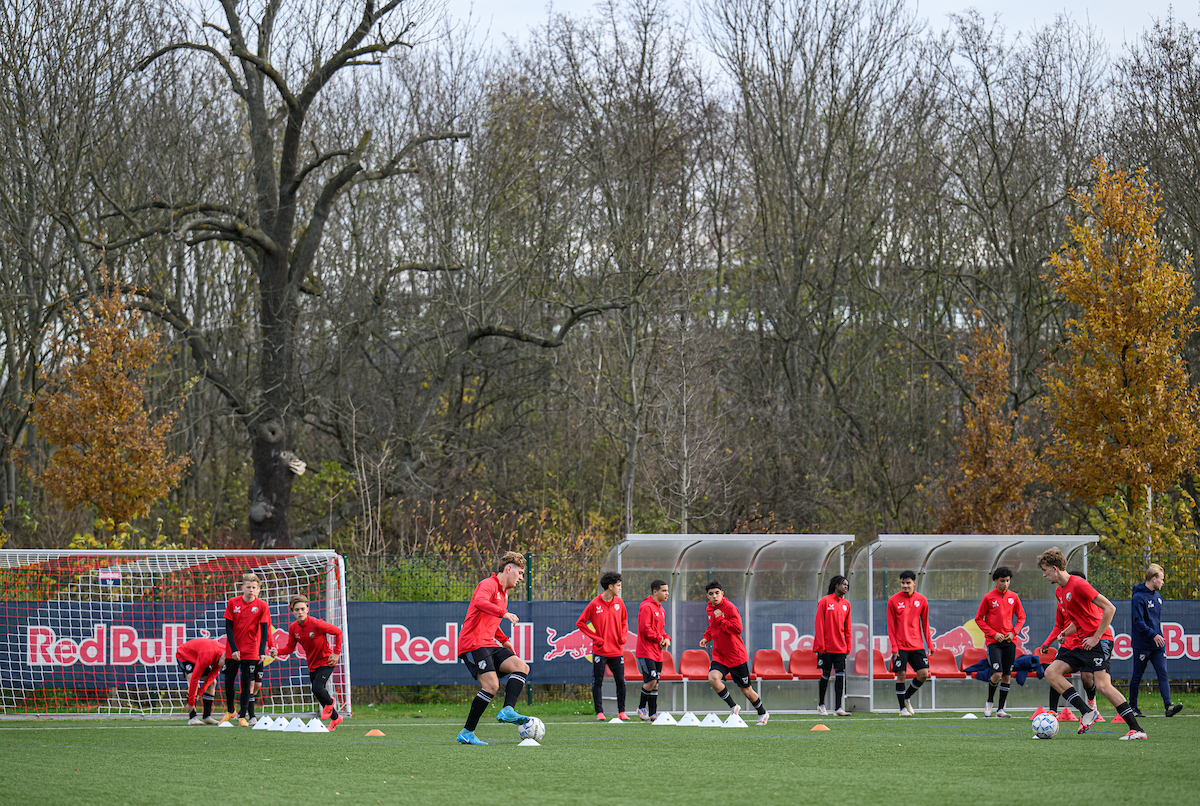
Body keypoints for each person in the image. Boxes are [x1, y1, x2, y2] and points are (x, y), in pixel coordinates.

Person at [1037, 547, 1147, 740]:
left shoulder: (1079, 584)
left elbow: (1109, 608)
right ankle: (1087, 711)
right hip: (1082, 642)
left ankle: (1137, 729)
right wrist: (1065, 632)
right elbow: (1079, 620)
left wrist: (1096, 637)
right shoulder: (1060, 592)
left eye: (1045, 571)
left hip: (1099, 640)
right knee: (1051, 672)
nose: (1044, 575)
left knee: (1103, 686)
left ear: (1055, 568)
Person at [455, 551, 532, 745]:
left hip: (489, 643)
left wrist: (504, 640)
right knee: (491, 686)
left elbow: (491, 621)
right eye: (520, 573)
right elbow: (480, 603)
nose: (521, 578)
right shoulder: (488, 584)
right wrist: (503, 613)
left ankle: (507, 710)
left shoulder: (504, 594)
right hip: (472, 643)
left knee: (521, 667)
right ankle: (467, 732)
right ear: (509, 569)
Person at [699, 580, 769, 725]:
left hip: (736, 656)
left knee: (747, 691)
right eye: (711, 594)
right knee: (713, 678)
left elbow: (737, 629)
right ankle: (733, 706)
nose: (714, 596)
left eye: (717, 593)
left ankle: (762, 712)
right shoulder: (709, 609)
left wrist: (721, 619)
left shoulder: (730, 607)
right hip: (720, 655)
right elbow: (712, 626)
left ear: (722, 593)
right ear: (708, 596)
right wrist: (706, 637)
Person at [270, 594, 345, 730]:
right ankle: (335, 718)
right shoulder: (293, 628)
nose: (300, 612)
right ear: (292, 611)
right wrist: (277, 652)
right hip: (312, 663)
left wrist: (336, 653)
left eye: (302, 609)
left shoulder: (317, 623)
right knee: (317, 692)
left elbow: (338, 632)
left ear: (307, 609)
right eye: (297, 610)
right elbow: (290, 648)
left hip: (326, 660)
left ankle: (330, 703)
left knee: (318, 688)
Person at [1130, 563, 1183, 718]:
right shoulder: (1138, 597)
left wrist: (1157, 635)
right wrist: (1153, 634)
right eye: (1161, 579)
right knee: (1137, 675)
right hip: (1142, 644)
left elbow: (1154, 621)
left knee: (1163, 672)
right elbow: (1138, 621)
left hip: (1157, 644)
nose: (1163, 582)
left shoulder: (1158, 597)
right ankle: (1132, 707)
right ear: (1154, 579)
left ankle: (1168, 707)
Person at [577, 571, 630, 721]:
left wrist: (623, 636)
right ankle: (599, 712)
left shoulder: (619, 602)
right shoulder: (594, 604)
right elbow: (580, 623)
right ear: (610, 587)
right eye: (618, 585)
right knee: (598, 681)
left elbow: (624, 620)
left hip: (616, 650)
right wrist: (596, 638)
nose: (620, 588)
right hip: (600, 651)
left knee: (621, 681)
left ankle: (622, 712)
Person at [973, 566, 1026, 717]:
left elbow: (1022, 617)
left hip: (1010, 641)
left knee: (1007, 676)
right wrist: (993, 634)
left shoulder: (1014, 597)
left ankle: (1000, 710)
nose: (1005, 584)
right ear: (996, 581)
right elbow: (979, 619)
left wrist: (1013, 632)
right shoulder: (988, 598)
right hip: (993, 642)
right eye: (1002, 581)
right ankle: (989, 702)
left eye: (1008, 581)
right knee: (997, 674)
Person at [222, 573, 271, 726]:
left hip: (251, 650)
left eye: (254, 587)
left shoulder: (262, 606)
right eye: (248, 587)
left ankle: (242, 716)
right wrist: (234, 648)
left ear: (258, 590)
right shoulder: (233, 602)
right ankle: (231, 710)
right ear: (242, 588)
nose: (251, 590)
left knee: (246, 683)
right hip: (233, 650)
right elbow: (228, 627)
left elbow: (264, 630)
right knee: (228, 680)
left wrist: (261, 651)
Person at [886, 570, 933, 715]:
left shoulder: (922, 600)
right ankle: (902, 709)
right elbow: (890, 626)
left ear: (914, 583)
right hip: (900, 646)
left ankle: (906, 697)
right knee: (901, 676)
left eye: (908, 583)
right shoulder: (893, 600)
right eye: (902, 583)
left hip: (917, 645)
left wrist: (930, 645)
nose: (905, 585)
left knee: (923, 674)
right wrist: (894, 647)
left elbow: (925, 624)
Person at [813, 575, 851, 716]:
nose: (846, 587)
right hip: (826, 648)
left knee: (840, 676)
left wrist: (849, 645)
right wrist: (821, 645)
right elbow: (819, 624)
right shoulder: (825, 601)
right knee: (825, 675)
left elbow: (848, 628)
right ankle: (821, 705)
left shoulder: (847, 604)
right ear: (836, 585)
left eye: (847, 585)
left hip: (841, 648)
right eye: (843, 584)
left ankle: (838, 708)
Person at [635, 579, 671, 721]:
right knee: (651, 680)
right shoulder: (646, 606)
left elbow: (661, 630)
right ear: (655, 592)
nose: (667, 593)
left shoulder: (661, 609)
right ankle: (641, 707)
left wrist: (666, 638)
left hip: (657, 653)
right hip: (646, 651)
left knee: (655, 684)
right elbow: (645, 629)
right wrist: (660, 638)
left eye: (667, 591)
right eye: (664, 591)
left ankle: (653, 713)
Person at [177, 636, 225, 725]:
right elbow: (194, 679)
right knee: (192, 680)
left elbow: (211, 677)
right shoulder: (208, 656)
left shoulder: (223, 656)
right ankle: (192, 717)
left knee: (212, 682)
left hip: (198, 656)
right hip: (185, 655)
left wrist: (200, 692)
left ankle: (206, 717)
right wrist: (191, 702)